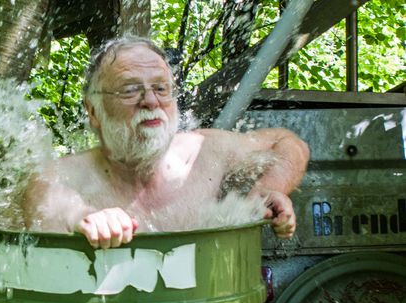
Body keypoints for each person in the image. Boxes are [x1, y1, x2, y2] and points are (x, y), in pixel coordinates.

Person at [23, 37, 310, 248]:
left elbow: (286, 143)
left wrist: (269, 188)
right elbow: (41, 196)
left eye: (161, 88)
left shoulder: (204, 151)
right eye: (130, 89)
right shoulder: (68, 176)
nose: (150, 101)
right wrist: (82, 216)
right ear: (94, 112)